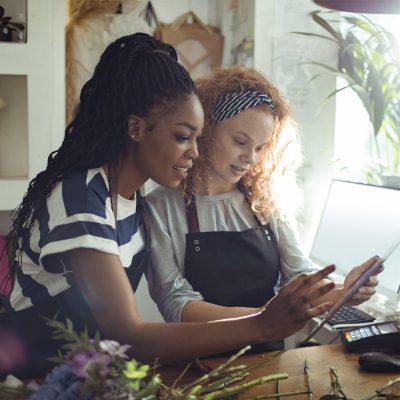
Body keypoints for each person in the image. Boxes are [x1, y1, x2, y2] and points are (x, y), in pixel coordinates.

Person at [0, 33, 337, 379]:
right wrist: (262, 325)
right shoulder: (81, 200)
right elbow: (130, 336)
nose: (194, 151)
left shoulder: (130, 200)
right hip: (27, 380)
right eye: (182, 136)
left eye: (196, 137)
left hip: (84, 377)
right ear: (136, 128)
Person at [145, 66, 380, 353]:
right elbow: (176, 303)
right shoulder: (161, 206)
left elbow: (298, 277)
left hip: (270, 359)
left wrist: (345, 292)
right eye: (240, 142)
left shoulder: (266, 199)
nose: (250, 158)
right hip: (198, 363)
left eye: (260, 148)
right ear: (205, 131)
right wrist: (263, 320)